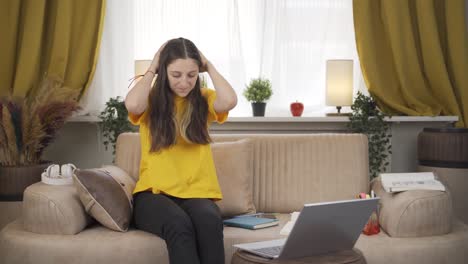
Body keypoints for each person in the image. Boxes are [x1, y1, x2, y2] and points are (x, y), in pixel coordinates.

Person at [125, 37, 237, 264]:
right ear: (164, 71)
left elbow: (229, 100)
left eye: (191, 75)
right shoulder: (150, 100)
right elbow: (133, 105)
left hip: (196, 194)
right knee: (179, 224)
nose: (184, 82)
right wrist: (152, 67)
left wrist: (210, 65)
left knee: (209, 222)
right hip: (152, 196)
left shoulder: (203, 100)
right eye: (176, 75)